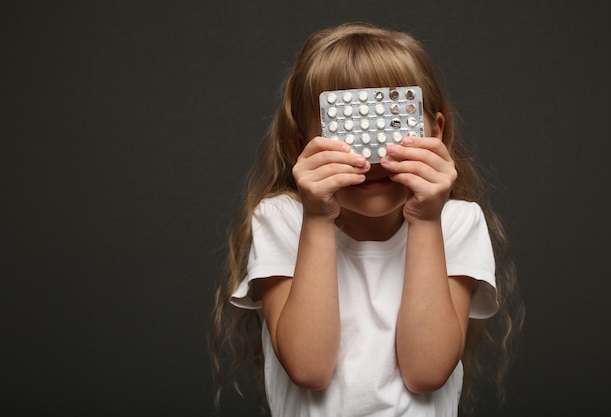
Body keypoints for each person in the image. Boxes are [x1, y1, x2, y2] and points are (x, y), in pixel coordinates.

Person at [209, 22, 524, 416]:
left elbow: (426, 373)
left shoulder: (456, 222)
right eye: (344, 130)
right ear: (299, 147)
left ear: (436, 134)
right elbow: (309, 368)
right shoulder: (284, 219)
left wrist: (426, 222)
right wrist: (318, 218)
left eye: (395, 121)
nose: (372, 156)